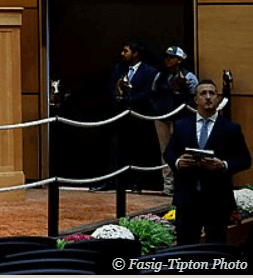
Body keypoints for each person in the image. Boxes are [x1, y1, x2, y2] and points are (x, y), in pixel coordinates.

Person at [164, 79, 251, 245]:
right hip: (187, 199)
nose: (208, 97)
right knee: (186, 248)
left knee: (215, 249)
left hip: (217, 199)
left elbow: (244, 159)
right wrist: (177, 162)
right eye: (203, 93)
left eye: (212, 93)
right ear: (196, 99)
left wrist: (223, 165)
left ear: (217, 98)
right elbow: (168, 152)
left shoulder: (231, 128)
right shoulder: (182, 125)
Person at [90, 40, 158, 192]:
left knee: (138, 151)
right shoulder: (118, 68)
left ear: (135, 54)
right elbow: (111, 87)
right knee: (116, 150)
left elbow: (148, 92)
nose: (122, 54)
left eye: (126, 51)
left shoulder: (150, 71)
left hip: (139, 116)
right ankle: (112, 182)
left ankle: (137, 183)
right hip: (118, 116)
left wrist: (130, 100)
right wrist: (118, 97)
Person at [150, 45, 198, 196]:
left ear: (179, 60)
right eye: (166, 56)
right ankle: (168, 185)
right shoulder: (160, 75)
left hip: (181, 120)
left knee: (182, 151)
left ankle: (183, 185)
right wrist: (158, 112)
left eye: (171, 57)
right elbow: (153, 95)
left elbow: (194, 100)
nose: (167, 59)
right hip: (162, 118)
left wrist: (181, 92)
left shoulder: (189, 77)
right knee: (164, 152)